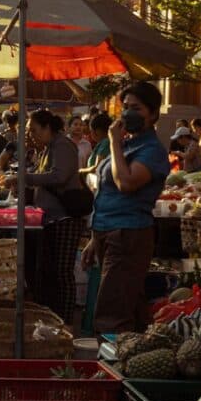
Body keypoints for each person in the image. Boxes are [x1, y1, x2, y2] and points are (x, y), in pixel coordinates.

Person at [81, 82, 170, 333]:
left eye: (137, 108)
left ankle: (110, 366)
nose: (129, 113)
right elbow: (107, 190)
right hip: (107, 231)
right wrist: (93, 238)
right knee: (127, 305)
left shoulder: (151, 150)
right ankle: (130, 360)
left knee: (112, 313)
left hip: (129, 235)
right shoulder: (128, 144)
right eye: (126, 107)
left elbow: (126, 182)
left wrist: (114, 144)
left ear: (153, 114)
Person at [25, 110, 87, 322]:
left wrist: (27, 178)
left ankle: (67, 320)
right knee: (51, 271)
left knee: (62, 272)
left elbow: (59, 176)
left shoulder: (62, 145)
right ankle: (54, 317)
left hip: (65, 219)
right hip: (49, 218)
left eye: (34, 130)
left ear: (47, 127)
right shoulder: (47, 148)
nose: (31, 134)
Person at [80, 112, 112, 177]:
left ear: (97, 131)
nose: (90, 133)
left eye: (91, 130)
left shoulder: (105, 143)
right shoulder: (102, 143)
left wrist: (80, 171)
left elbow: (97, 167)